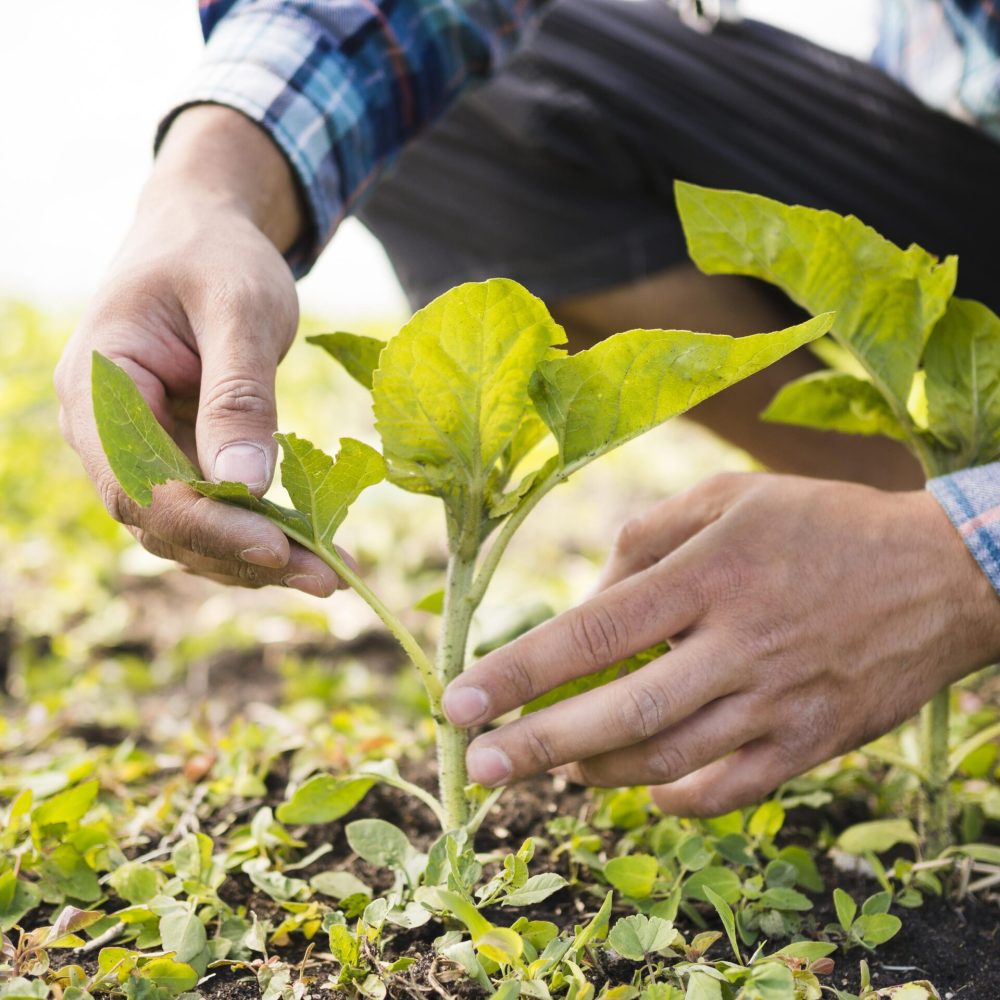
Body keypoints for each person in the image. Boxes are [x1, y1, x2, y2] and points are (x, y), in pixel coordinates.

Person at [56, 0, 1000, 816]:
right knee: (480, 105)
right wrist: (208, 191)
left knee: (953, 564)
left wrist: (961, 565)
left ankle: (926, 555)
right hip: (955, 164)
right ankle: (908, 498)